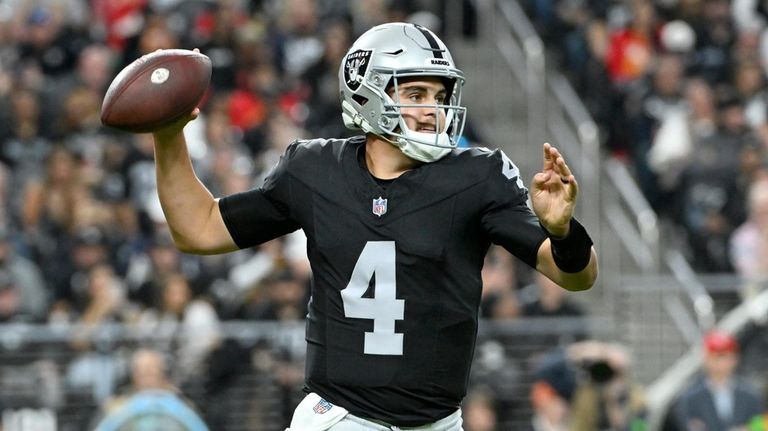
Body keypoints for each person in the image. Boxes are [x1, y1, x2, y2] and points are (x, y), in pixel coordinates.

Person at [150, 22, 598, 431]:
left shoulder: (476, 176)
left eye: (441, 98)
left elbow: (575, 275)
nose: (433, 111)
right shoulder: (315, 169)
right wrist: (168, 137)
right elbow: (200, 229)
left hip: (437, 423)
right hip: (342, 417)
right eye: (417, 94)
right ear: (369, 92)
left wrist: (563, 231)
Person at [673, 330, 763, 431]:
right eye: (715, 357)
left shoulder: (749, 394)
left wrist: (748, 429)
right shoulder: (690, 397)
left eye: (724, 356)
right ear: (706, 359)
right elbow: (686, 424)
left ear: (734, 359)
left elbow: (758, 425)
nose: (720, 363)